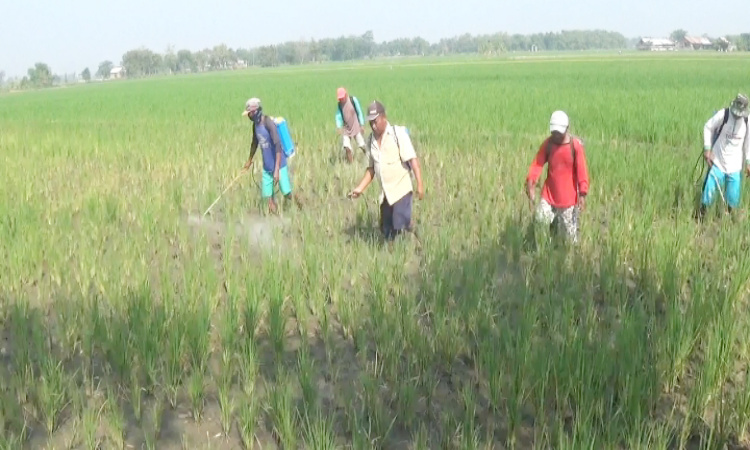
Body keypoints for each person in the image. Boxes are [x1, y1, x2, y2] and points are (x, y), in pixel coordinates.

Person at [348, 100, 425, 241]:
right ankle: (394, 249)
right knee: (386, 230)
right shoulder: (371, 140)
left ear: (384, 118)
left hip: (401, 190)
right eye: (370, 122)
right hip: (386, 194)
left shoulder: (398, 134)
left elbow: (413, 160)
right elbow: (371, 170)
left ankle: (412, 241)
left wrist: (420, 184)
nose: (373, 125)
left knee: (399, 226)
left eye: (375, 121)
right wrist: (359, 189)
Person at [525, 110, 590, 244]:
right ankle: (543, 249)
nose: (556, 136)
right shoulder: (548, 144)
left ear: (567, 129)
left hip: (568, 200)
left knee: (568, 239)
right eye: (553, 133)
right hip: (549, 195)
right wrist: (531, 181)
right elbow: (537, 164)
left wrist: (582, 193)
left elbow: (582, 171)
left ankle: (564, 255)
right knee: (540, 220)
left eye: (559, 133)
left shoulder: (575, 146)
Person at [241, 97, 302, 214]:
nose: (248, 116)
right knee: (268, 198)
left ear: (255, 112)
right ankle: (276, 223)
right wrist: (249, 161)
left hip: (279, 166)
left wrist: (277, 170)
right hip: (267, 167)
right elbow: (254, 143)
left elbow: (278, 146)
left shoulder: (268, 123)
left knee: (287, 193)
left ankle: (301, 207)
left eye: (249, 114)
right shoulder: (255, 126)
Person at [697, 93, 750, 219]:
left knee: (733, 197)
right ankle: (701, 217)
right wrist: (707, 148)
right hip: (718, 161)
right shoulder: (723, 115)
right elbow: (708, 127)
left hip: (735, 164)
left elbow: (748, 143)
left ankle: (728, 220)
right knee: (709, 192)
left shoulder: (747, 121)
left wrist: (748, 162)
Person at [335, 87, 366, 163]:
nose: (342, 100)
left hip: (355, 126)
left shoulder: (353, 100)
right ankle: (351, 164)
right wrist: (339, 127)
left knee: (362, 145)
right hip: (346, 128)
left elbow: (359, 112)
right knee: (346, 147)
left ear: (346, 94)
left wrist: (361, 124)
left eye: (343, 98)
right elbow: (338, 116)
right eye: (340, 98)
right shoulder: (339, 105)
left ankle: (368, 155)